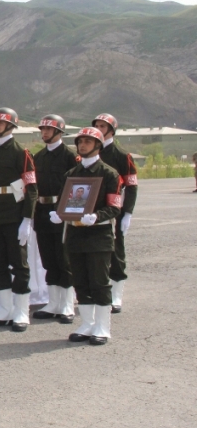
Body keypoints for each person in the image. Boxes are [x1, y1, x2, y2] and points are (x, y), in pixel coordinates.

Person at [49, 127, 122, 345]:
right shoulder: (71, 175)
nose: (82, 145)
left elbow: (115, 206)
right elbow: (64, 202)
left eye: (88, 142)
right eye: (80, 142)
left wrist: (98, 216)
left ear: (98, 145)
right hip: (75, 235)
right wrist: (58, 213)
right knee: (80, 281)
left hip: (98, 237)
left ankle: (102, 326)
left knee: (99, 282)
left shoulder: (109, 173)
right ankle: (88, 323)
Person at [0, 107, 38, 331]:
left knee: (19, 264)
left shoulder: (21, 153)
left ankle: (21, 311)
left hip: (14, 215)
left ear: (11, 125)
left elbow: (31, 189)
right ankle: (5, 308)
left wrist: (27, 219)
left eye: (1, 123)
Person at [31, 114, 77, 323]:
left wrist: (64, 211)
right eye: (43, 129)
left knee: (64, 260)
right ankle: (53, 303)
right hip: (42, 210)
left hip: (62, 212)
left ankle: (67, 304)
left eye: (48, 129)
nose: (45, 133)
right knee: (48, 259)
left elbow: (75, 187)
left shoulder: (69, 156)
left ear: (59, 132)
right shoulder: (38, 157)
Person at [92, 113, 138, 314]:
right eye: (97, 125)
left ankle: (116, 293)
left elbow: (131, 186)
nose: (99, 129)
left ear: (111, 130)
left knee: (115, 251)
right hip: (94, 210)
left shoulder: (121, 155)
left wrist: (127, 212)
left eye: (103, 126)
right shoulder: (92, 152)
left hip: (114, 210)